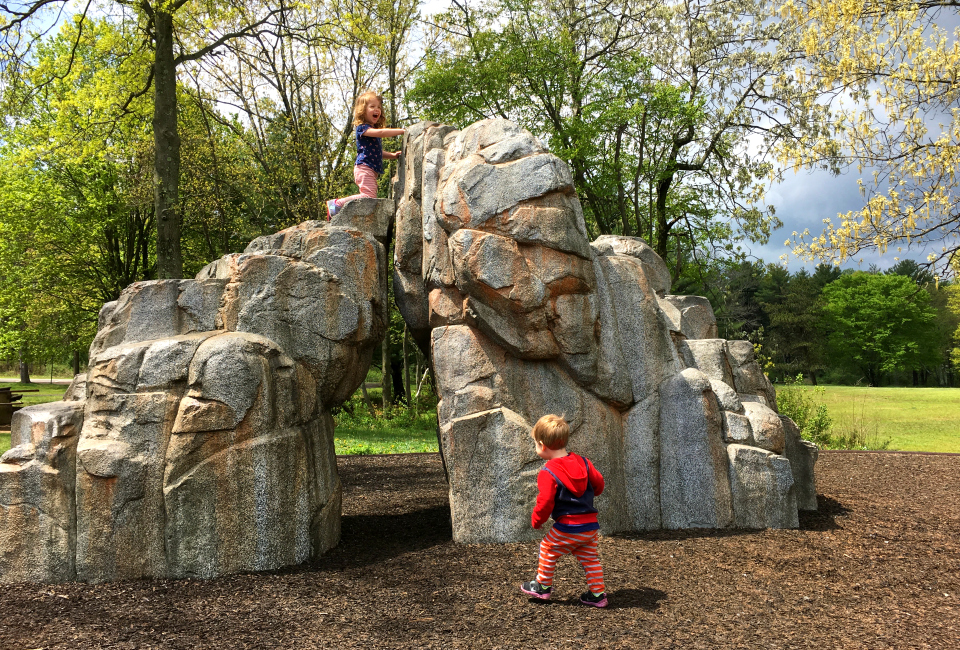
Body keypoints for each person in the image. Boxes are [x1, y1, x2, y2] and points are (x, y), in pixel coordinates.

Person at [520, 414, 608, 608]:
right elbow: (599, 483)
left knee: (548, 548)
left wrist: (537, 520)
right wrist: (595, 491)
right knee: (590, 557)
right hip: (590, 526)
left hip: (568, 526)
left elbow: (545, 502)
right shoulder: (584, 462)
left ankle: (542, 586)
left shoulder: (548, 472)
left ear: (542, 445)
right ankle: (597, 594)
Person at [326, 91, 405, 219]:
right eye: (372, 107)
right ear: (363, 111)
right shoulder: (362, 128)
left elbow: (378, 153)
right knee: (368, 196)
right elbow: (382, 132)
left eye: (379, 107)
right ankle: (336, 205)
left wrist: (392, 155)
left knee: (369, 197)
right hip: (364, 168)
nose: (377, 109)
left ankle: (341, 209)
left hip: (369, 169)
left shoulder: (370, 130)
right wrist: (402, 131)